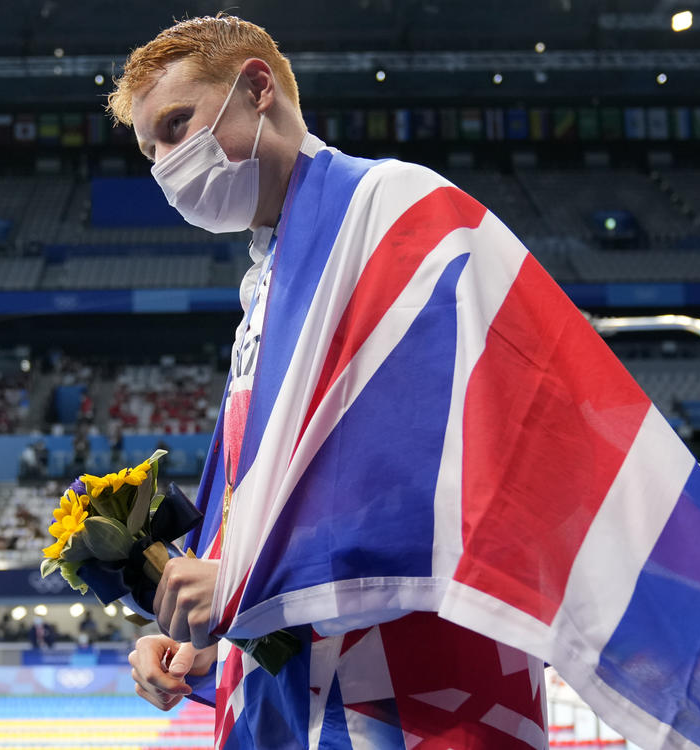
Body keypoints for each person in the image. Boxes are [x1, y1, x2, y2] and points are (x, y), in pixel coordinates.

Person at [109, 16, 545, 748]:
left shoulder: (394, 210)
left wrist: (252, 577)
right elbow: (270, 490)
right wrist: (208, 634)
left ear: (257, 88)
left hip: (416, 689)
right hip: (301, 688)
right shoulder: (265, 288)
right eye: (151, 149)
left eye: (178, 126)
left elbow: (457, 471)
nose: (164, 165)